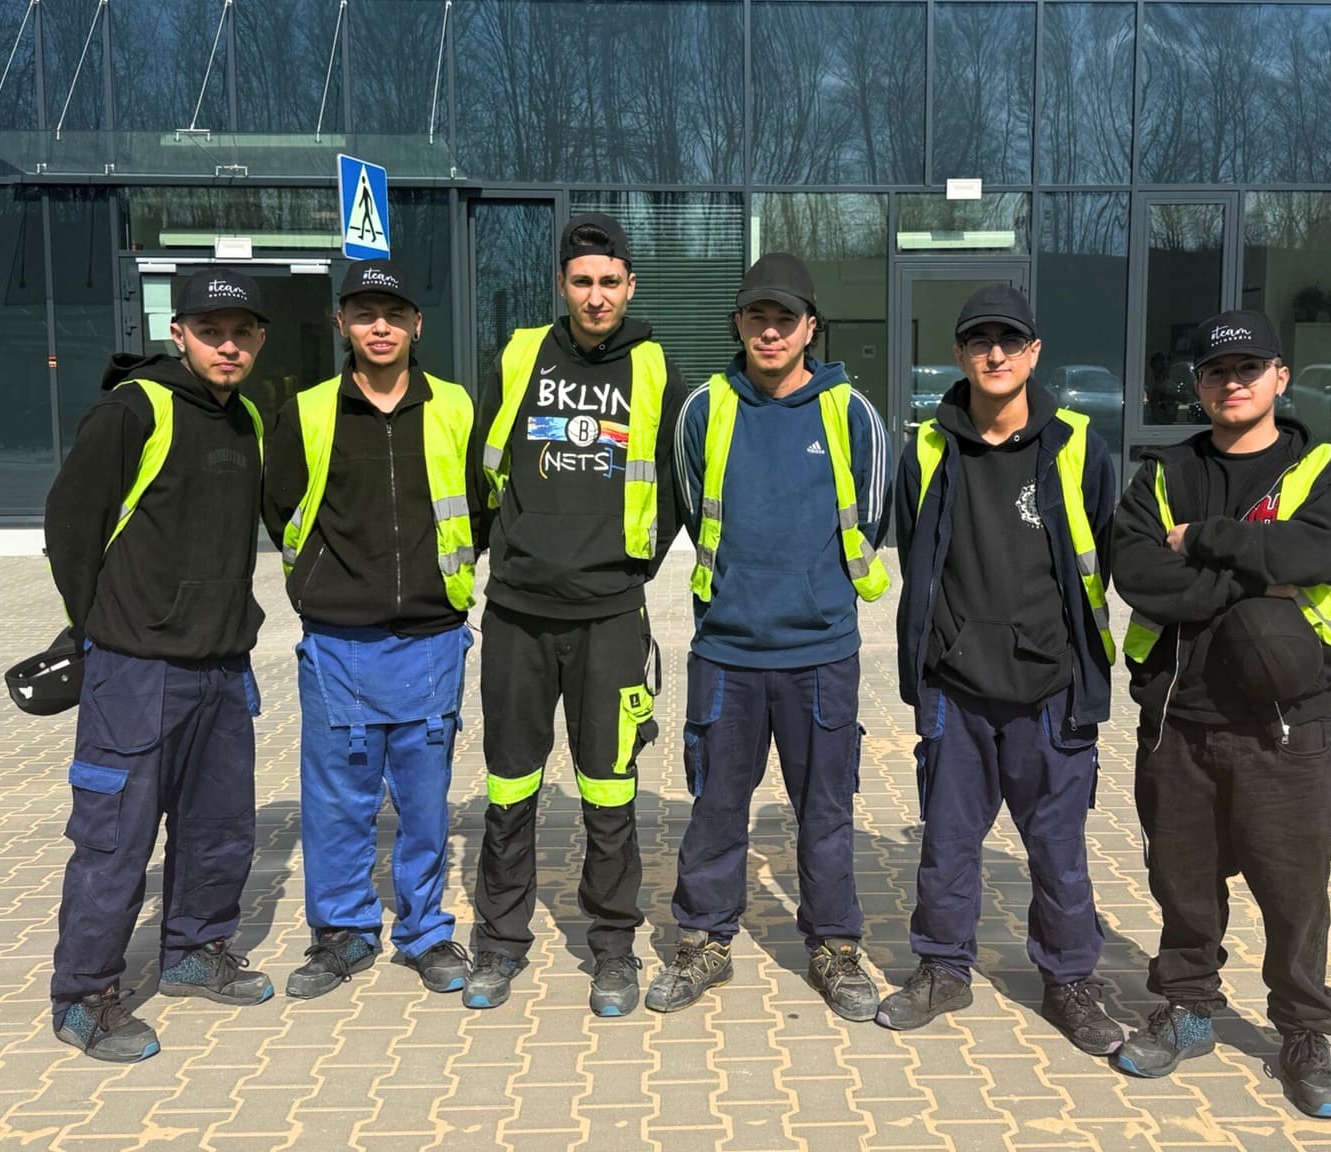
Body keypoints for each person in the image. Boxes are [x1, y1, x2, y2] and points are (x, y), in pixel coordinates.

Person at [1109, 309, 1331, 1119]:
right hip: (1179, 718)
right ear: (1198, 385)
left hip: (1286, 726)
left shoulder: (1320, 469)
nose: (1233, 383)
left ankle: (1305, 1031)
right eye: (1218, 371)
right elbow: (1137, 574)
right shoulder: (1164, 473)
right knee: (1182, 885)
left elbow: (1318, 555)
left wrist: (1202, 540)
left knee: (1294, 895)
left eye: (1249, 368)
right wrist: (1255, 573)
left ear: (1280, 377)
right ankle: (1188, 1009)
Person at [877, 285, 1122, 1055]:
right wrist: (937, 651)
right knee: (948, 844)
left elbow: (1099, 552)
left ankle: (1069, 979)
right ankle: (942, 969)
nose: (994, 354)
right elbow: (918, 553)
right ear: (959, 354)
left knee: (1057, 851)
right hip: (957, 689)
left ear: (1033, 352)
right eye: (979, 341)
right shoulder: (927, 448)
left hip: (1050, 690)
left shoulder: (1077, 445)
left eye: (1009, 341)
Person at [647, 253, 890, 1020]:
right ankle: (703, 941)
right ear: (740, 324)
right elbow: (693, 508)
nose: (772, 331)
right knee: (717, 806)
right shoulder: (704, 409)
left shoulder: (852, 414)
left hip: (822, 654)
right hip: (728, 651)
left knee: (827, 810)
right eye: (758, 317)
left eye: (786, 318)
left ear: (811, 327)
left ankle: (835, 947)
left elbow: (872, 516)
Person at [42, 267, 274, 1062]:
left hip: (222, 667)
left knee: (220, 829)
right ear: (178, 334)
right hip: (135, 671)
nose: (227, 346)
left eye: (241, 333)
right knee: (115, 840)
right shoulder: (134, 410)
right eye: (210, 332)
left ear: (259, 340)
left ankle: (192, 952)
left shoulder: (247, 419)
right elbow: (70, 525)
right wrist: (98, 626)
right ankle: (83, 997)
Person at [467, 212, 687, 1016]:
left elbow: (677, 486)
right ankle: (499, 944)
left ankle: (613, 949)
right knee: (508, 788)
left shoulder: (657, 369)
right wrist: (504, 555)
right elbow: (481, 468)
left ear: (631, 285)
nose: (597, 296)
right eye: (583, 281)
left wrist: (630, 569)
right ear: (561, 285)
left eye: (610, 282)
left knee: (610, 792)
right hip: (517, 614)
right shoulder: (520, 355)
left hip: (609, 618)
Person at [262, 259, 478, 1002]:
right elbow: (282, 509)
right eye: (363, 314)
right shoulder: (308, 412)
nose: (378, 327)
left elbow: (478, 506)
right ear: (341, 324)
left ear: (417, 324)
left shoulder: (454, 406)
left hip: (432, 636)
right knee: (338, 802)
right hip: (338, 638)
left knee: (424, 802)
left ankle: (424, 932)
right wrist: (326, 580)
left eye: (392, 315)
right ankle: (343, 933)